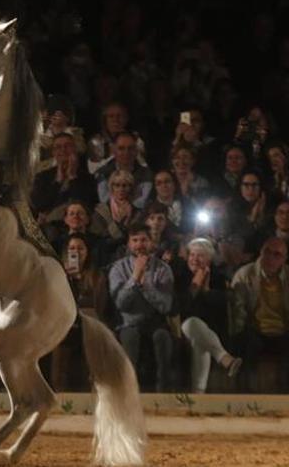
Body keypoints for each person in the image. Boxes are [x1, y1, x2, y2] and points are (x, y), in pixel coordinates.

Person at [230, 237, 289, 392]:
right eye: (267, 252)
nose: (270, 258)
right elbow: (238, 311)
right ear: (260, 253)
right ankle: (244, 395)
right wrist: (236, 335)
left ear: (284, 259)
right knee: (245, 343)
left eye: (277, 255)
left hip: (284, 332)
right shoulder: (244, 275)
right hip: (255, 331)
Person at [108, 224, 174, 391]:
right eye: (135, 240)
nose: (139, 245)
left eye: (144, 240)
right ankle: (129, 394)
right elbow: (121, 303)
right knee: (130, 338)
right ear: (129, 244)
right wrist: (135, 278)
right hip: (128, 323)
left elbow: (166, 306)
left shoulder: (163, 269)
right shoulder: (118, 268)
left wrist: (146, 286)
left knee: (163, 337)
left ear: (152, 243)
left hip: (156, 322)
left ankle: (163, 396)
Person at [176, 238, 241, 393]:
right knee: (192, 323)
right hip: (181, 329)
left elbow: (221, 306)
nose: (194, 259)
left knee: (200, 339)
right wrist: (195, 285)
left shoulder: (218, 278)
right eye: (192, 255)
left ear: (209, 259)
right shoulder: (180, 276)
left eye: (200, 256)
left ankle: (197, 396)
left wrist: (206, 291)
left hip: (210, 332)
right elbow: (180, 307)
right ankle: (224, 358)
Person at [31, 132, 98, 222]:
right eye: (58, 147)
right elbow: (39, 205)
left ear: (75, 149)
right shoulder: (42, 177)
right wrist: (58, 182)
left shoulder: (88, 178)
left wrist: (72, 177)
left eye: (67, 146)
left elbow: (85, 204)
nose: (63, 150)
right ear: (53, 152)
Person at [95, 132, 153, 208]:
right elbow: (104, 201)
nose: (126, 152)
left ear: (136, 150)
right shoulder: (103, 173)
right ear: (114, 150)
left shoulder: (147, 174)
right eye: (121, 148)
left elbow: (142, 202)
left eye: (130, 148)